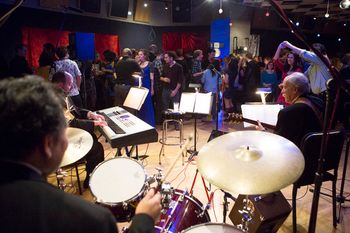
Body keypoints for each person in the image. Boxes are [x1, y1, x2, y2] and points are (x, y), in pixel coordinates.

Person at [0, 76, 161, 233]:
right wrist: (144, 219)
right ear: (47, 145)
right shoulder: (88, 220)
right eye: (64, 132)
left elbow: (74, 111)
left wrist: (90, 114)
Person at [51, 71, 105, 188]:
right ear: (61, 84)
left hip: (67, 133)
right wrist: (95, 123)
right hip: (61, 140)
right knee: (96, 148)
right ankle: (91, 180)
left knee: (93, 138)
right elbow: (71, 122)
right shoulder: (55, 99)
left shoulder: (60, 94)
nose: (72, 86)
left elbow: (76, 110)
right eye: (70, 84)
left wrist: (90, 114)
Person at [257, 72, 323, 147]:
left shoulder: (288, 112)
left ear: (295, 90)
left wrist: (263, 132)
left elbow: (278, 145)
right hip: (319, 150)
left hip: (299, 155)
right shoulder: (318, 101)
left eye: (285, 87)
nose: (282, 91)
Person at [138, 49, 156, 127]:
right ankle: (141, 124)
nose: (139, 56)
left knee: (148, 104)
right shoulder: (138, 64)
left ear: (145, 55)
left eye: (141, 54)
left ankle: (150, 124)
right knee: (140, 105)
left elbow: (152, 78)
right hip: (139, 86)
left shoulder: (150, 64)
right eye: (139, 54)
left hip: (147, 85)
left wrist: (152, 88)